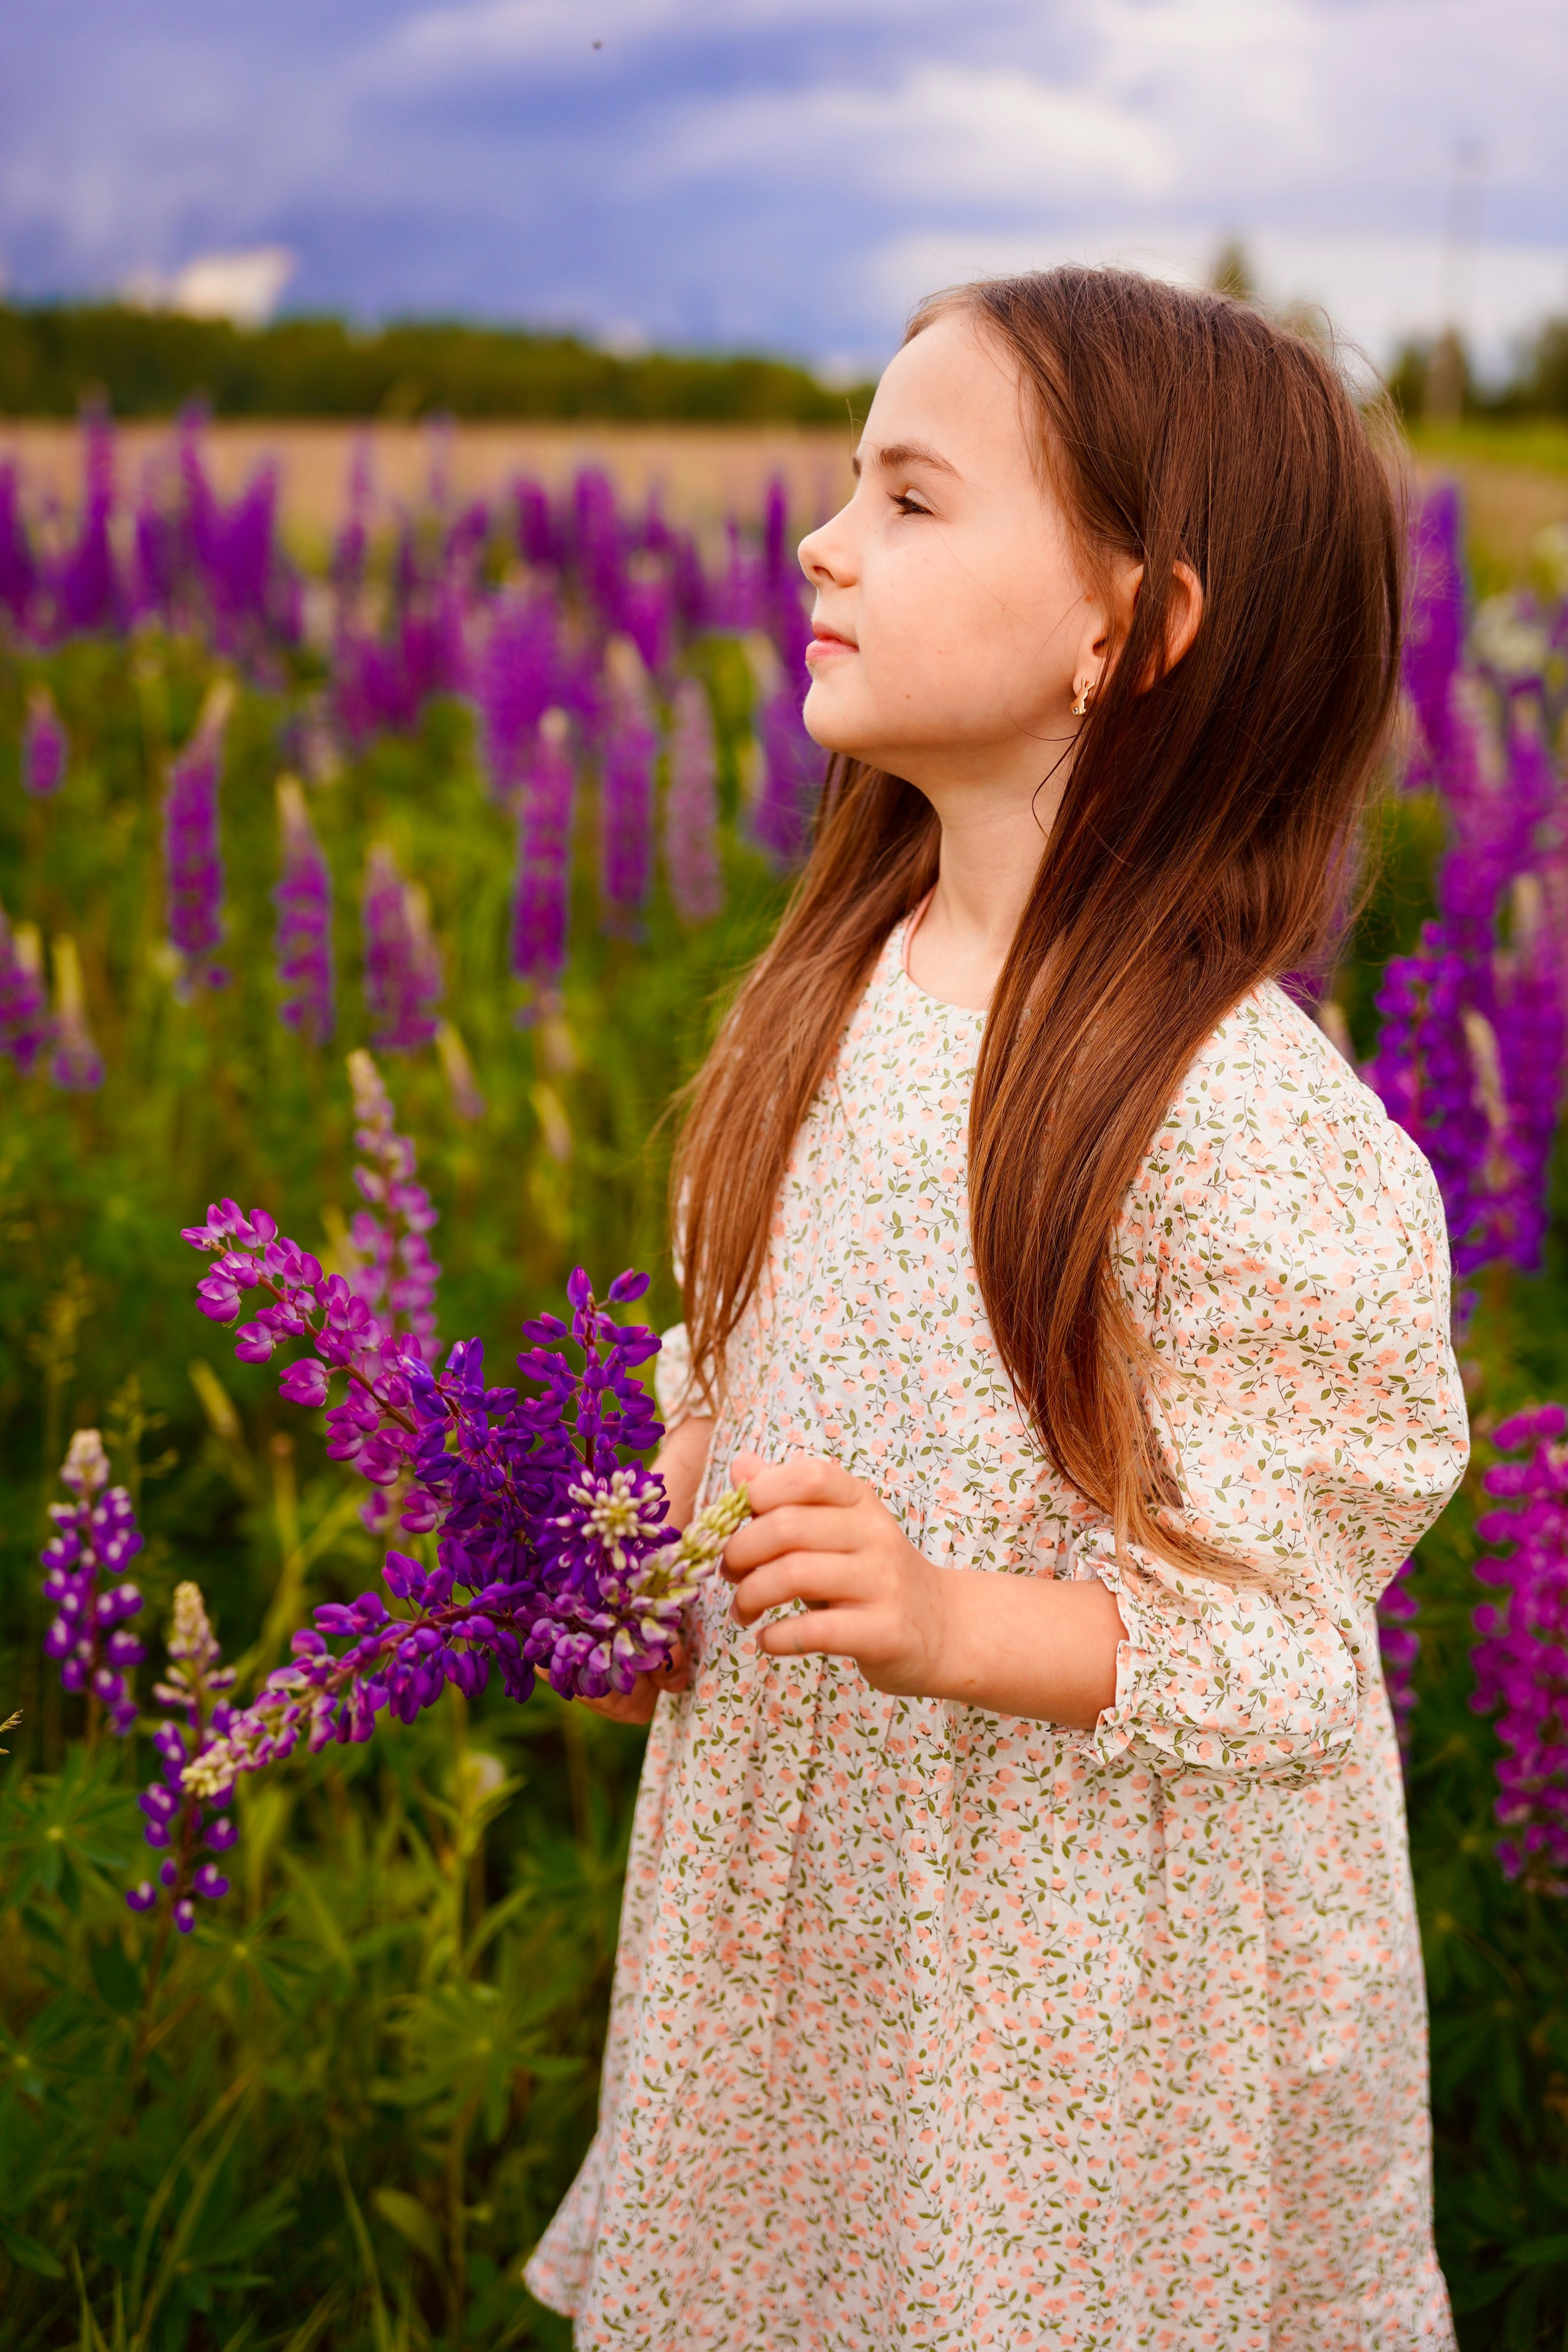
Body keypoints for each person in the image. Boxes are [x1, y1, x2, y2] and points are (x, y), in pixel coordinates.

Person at [526, 266, 1468, 2350]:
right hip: (817, 1960)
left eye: (913, 497)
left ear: (1126, 633)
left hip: (1077, 2019)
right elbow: (732, 1396)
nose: (819, 538)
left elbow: (1285, 1642)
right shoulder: (819, 1005)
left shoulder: (1241, 1126)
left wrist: (946, 1618)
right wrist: (653, 1570)